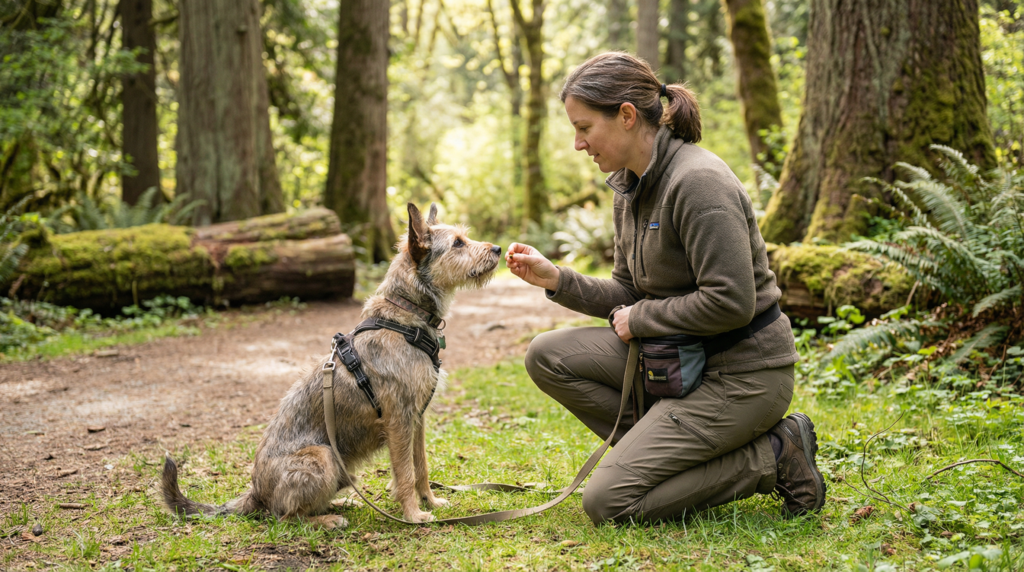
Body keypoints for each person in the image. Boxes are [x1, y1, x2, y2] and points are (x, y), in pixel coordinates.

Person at [505, 52, 826, 524]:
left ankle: (775, 455)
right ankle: (661, 450)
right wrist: (558, 279)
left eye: (584, 127)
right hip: (674, 362)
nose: (577, 143)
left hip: (742, 374)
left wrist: (643, 319)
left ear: (627, 116)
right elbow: (628, 291)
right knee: (546, 354)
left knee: (607, 503)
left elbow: (732, 301)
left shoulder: (699, 183)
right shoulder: (630, 187)